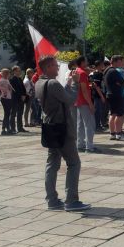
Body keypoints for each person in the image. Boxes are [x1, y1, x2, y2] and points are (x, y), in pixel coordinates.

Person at [35, 55, 91, 212]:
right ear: (47, 68)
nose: (58, 68)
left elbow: (60, 97)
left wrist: (67, 84)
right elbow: (70, 99)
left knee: (52, 163)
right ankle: (72, 201)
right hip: (62, 127)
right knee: (74, 163)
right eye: (55, 65)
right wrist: (75, 83)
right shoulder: (53, 83)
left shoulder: (39, 82)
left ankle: (52, 200)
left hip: (49, 126)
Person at [74, 56, 98, 153]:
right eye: (86, 61)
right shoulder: (83, 73)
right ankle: (89, 146)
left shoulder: (77, 71)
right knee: (89, 124)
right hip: (84, 101)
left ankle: (80, 144)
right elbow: (84, 90)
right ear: (83, 62)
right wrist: (90, 104)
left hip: (78, 101)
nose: (87, 63)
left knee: (80, 124)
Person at [104, 55, 124, 141]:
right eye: (120, 61)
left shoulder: (107, 70)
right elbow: (123, 82)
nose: (121, 63)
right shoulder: (114, 71)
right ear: (115, 61)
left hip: (109, 94)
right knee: (120, 114)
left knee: (113, 114)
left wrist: (119, 83)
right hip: (116, 95)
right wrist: (120, 83)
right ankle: (118, 133)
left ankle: (112, 134)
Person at [0, 68, 14, 135]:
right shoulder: (2, 80)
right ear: (3, 74)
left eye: (8, 73)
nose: (7, 74)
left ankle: (8, 129)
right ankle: (4, 129)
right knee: (7, 114)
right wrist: (3, 89)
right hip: (5, 98)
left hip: (8, 98)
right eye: (5, 73)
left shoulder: (6, 80)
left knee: (8, 114)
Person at [90, 61, 107, 132]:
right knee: (98, 111)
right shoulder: (97, 74)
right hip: (97, 95)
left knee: (100, 111)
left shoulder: (98, 73)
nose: (103, 66)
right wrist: (102, 96)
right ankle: (97, 126)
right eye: (102, 65)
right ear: (99, 65)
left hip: (99, 95)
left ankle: (99, 125)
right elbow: (96, 86)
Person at [10, 66, 28, 133]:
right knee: (13, 114)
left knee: (20, 113)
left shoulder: (20, 79)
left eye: (19, 70)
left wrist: (24, 95)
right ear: (14, 71)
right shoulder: (12, 79)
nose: (19, 72)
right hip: (15, 99)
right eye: (18, 71)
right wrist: (21, 95)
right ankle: (13, 128)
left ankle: (20, 128)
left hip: (21, 99)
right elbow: (14, 90)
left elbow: (23, 88)